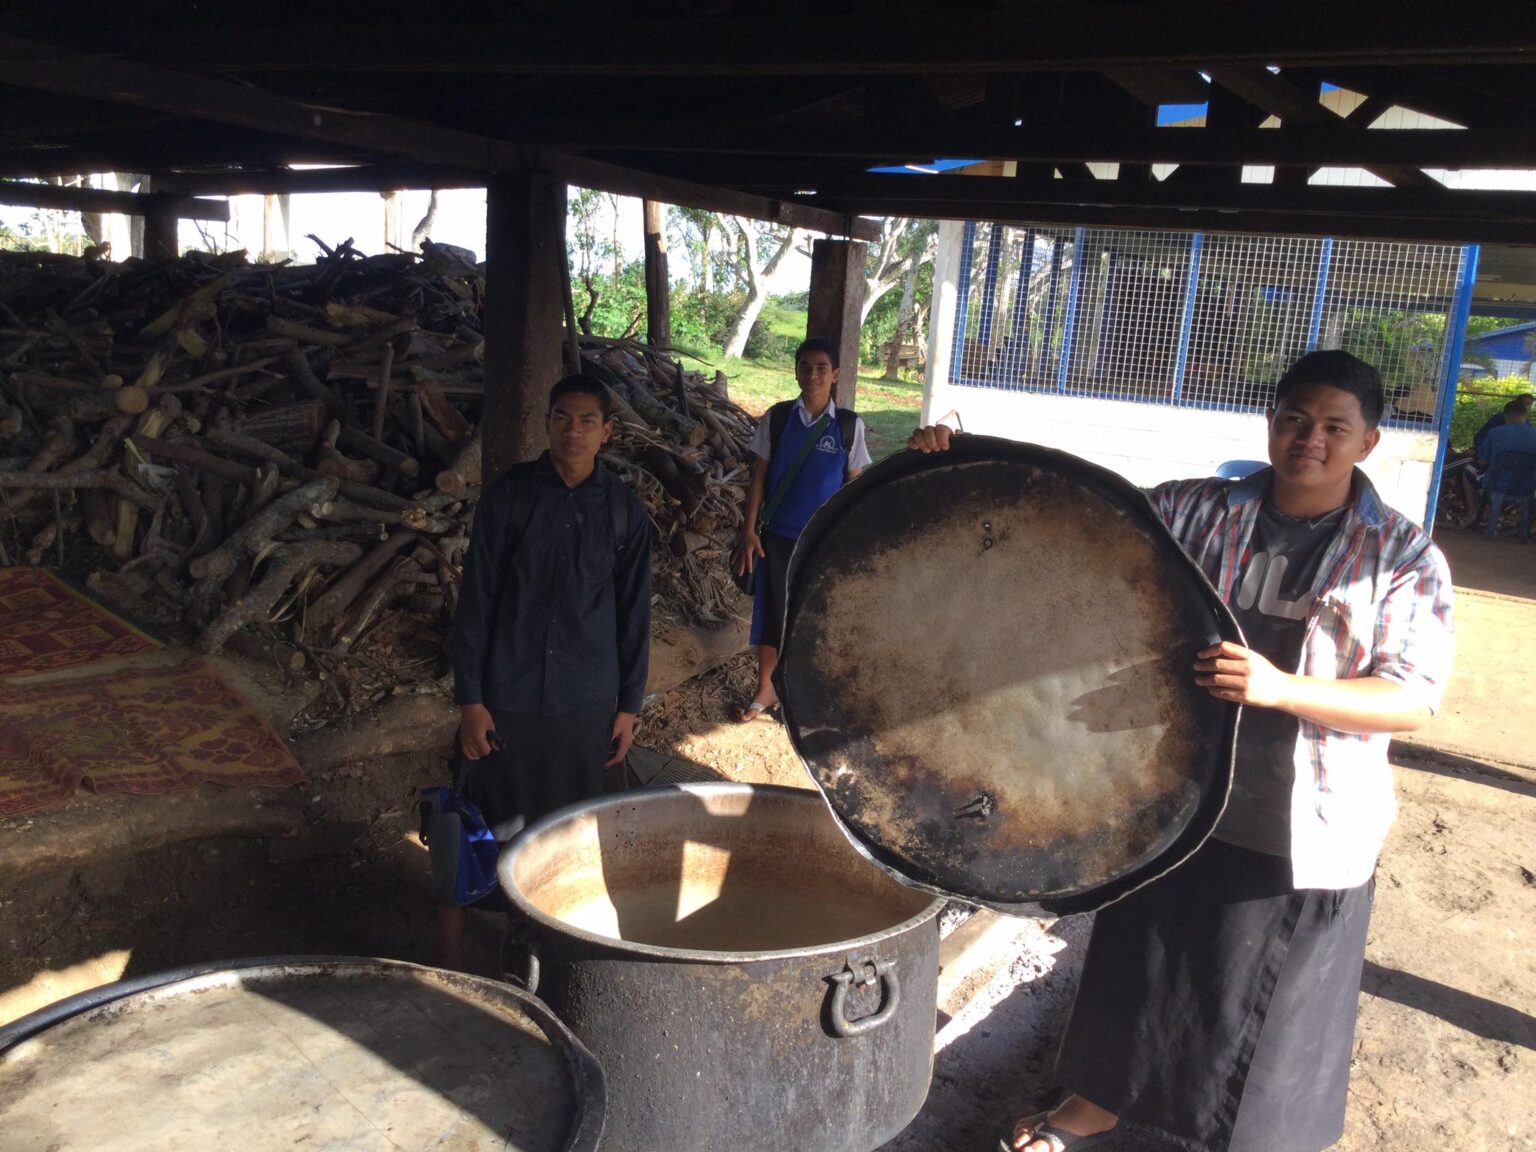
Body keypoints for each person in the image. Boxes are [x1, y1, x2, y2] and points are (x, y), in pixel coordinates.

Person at [908, 349, 1454, 1152]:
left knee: (1267, 1014)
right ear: (1272, 424)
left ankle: (1252, 1138)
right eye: (1297, 420)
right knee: (1137, 966)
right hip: (1173, 796)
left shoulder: (1402, 558)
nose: (1312, 440)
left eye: (1336, 427)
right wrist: (966, 457)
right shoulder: (1200, 511)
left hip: (1301, 821)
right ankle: (1092, 1103)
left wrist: (1280, 690)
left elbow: (1411, 697)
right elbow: (1081, 514)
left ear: (1367, 443)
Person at [438, 373, 652, 969]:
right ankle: (471, 950)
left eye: (587, 420)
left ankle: (552, 947)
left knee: (569, 827)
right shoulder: (511, 497)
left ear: (607, 432)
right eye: (562, 417)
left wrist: (628, 705)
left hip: (587, 699)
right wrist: (471, 700)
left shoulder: (622, 509)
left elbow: (635, 614)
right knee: (493, 824)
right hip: (508, 694)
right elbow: (477, 598)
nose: (573, 431)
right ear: (548, 424)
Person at [733, 336, 871, 722]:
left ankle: (806, 697)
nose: (813, 375)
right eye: (805, 367)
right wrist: (749, 530)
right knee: (771, 613)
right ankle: (766, 689)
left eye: (821, 368)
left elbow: (854, 485)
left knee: (814, 616)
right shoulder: (777, 419)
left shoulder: (847, 426)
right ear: (796, 371)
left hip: (823, 544)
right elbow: (758, 478)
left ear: (836, 374)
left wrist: (849, 542)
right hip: (775, 538)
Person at [1460, 393, 1534, 526]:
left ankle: (1473, 513)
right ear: (1525, 415)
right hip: (1527, 485)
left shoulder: (1496, 432)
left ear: (1506, 416)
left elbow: (1483, 462)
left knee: (1469, 468)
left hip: (1496, 483)